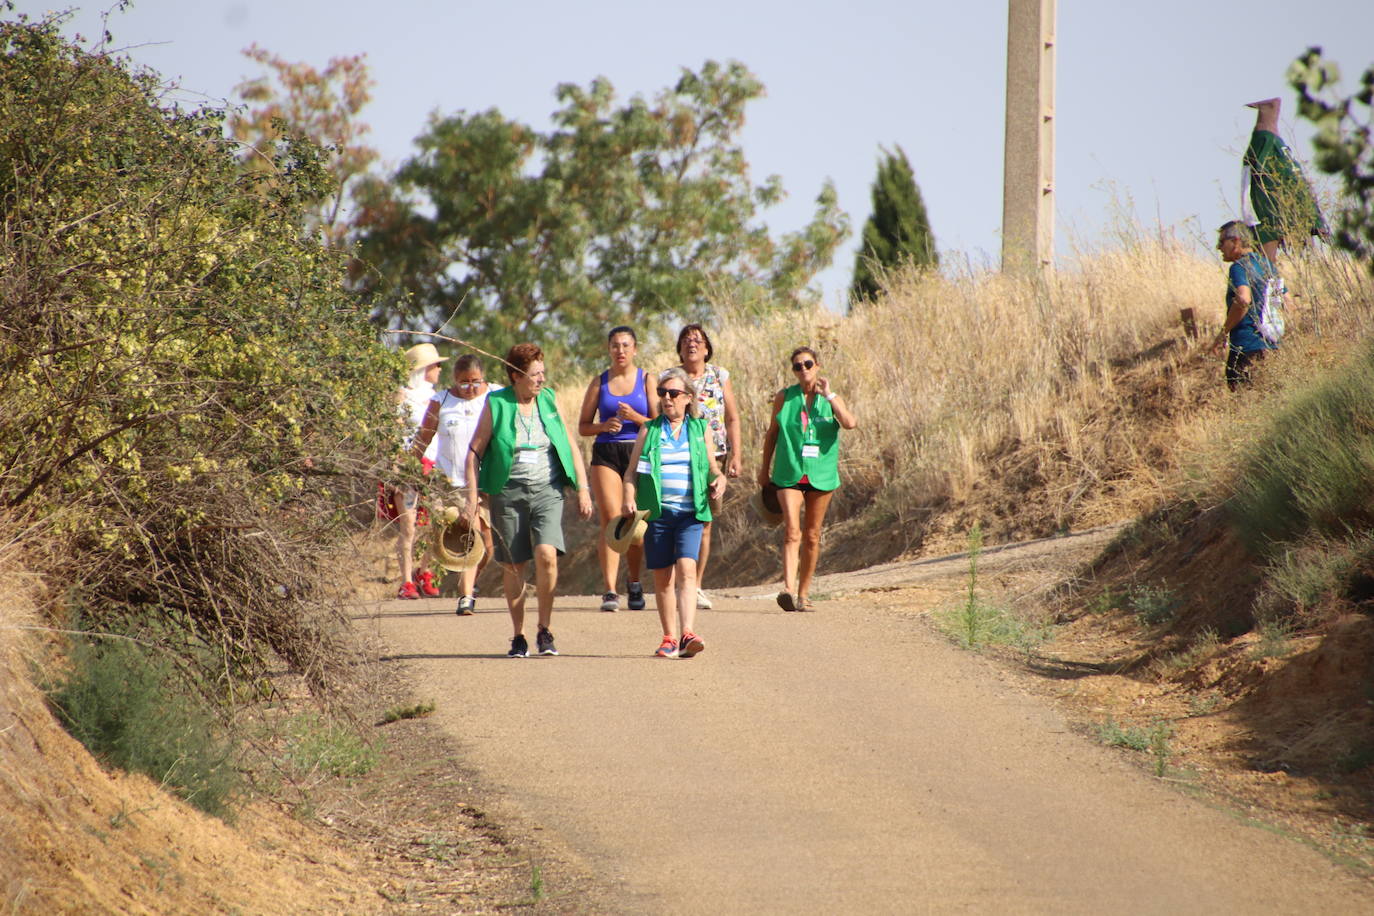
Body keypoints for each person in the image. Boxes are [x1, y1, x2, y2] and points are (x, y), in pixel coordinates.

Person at [466, 343, 593, 657]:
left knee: (547, 555)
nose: (540, 380)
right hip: (508, 493)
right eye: (534, 374)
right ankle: (519, 635)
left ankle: (545, 630)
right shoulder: (497, 403)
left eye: (542, 373)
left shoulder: (548, 400)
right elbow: (474, 452)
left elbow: (569, 443)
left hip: (548, 490)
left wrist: (583, 487)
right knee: (513, 565)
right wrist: (472, 497)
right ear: (515, 376)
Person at [622, 368, 727, 658]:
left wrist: (719, 478)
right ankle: (669, 638)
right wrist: (629, 498)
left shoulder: (699, 428)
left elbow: (711, 466)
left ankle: (688, 632)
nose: (667, 398)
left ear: (688, 398)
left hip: (691, 513)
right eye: (662, 393)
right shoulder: (650, 429)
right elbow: (630, 474)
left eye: (673, 393)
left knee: (686, 568)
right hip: (658, 513)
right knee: (663, 578)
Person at [757, 346, 858, 612]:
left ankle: (804, 594)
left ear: (818, 366)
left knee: (812, 536)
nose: (803, 369)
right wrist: (764, 469)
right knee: (792, 530)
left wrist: (830, 395)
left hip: (821, 473)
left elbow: (849, 423)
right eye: (797, 366)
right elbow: (772, 433)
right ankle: (788, 590)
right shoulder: (784, 397)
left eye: (808, 364)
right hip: (789, 471)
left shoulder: (830, 398)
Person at [412, 354, 499, 615]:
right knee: (469, 533)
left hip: (487, 480)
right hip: (452, 482)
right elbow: (422, 439)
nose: (470, 388)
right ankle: (466, 596)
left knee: (489, 548)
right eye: (463, 383)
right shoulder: (442, 401)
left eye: (475, 381)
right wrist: (407, 471)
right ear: (454, 380)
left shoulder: (495, 395)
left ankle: (471, 583)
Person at [578, 326, 657, 612]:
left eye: (625, 345)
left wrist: (635, 417)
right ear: (608, 349)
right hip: (607, 453)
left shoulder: (647, 380)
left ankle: (634, 582)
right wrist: (603, 426)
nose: (620, 350)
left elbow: (659, 423)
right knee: (611, 518)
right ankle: (610, 590)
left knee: (633, 519)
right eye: (615, 345)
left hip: (639, 452)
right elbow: (583, 426)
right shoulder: (599, 382)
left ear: (635, 349)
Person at [676, 323, 742, 611]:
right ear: (679, 348)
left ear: (706, 348)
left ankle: (696, 585)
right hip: (677, 455)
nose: (692, 344)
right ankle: (679, 581)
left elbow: (732, 418)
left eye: (698, 340)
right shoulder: (672, 378)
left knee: (705, 523)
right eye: (687, 340)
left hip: (713, 457)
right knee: (677, 518)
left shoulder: (719, 375)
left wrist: (736, 455)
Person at [1242, 97, 1327, 263]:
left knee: (1268, 261)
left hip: (1275, 216)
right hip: (1287, 214)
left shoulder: (1266, 146)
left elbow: (1257, 168)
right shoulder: (1283, 155)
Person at [392, 342, 445, 600]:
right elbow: (393, 432)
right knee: (409, 525)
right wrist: (394, 466)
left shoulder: (437, 397)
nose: (440, 369)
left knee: (436, 522)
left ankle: (425, 571)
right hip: (409, 466)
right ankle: (406, 581)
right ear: (424, 368)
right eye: (436, 365)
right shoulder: (402, 396)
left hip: (434, 467)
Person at [1211, 221, 1279, 391]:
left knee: (1244, 403)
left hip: (1245, 347)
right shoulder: (1269, 266)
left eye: (1221, 242)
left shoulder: (1239, 267)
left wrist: (1223, 332)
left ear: (1236, 241)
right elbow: (1286, 301)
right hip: (1272, 347)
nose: (1219, 247)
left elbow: (1243, 300)